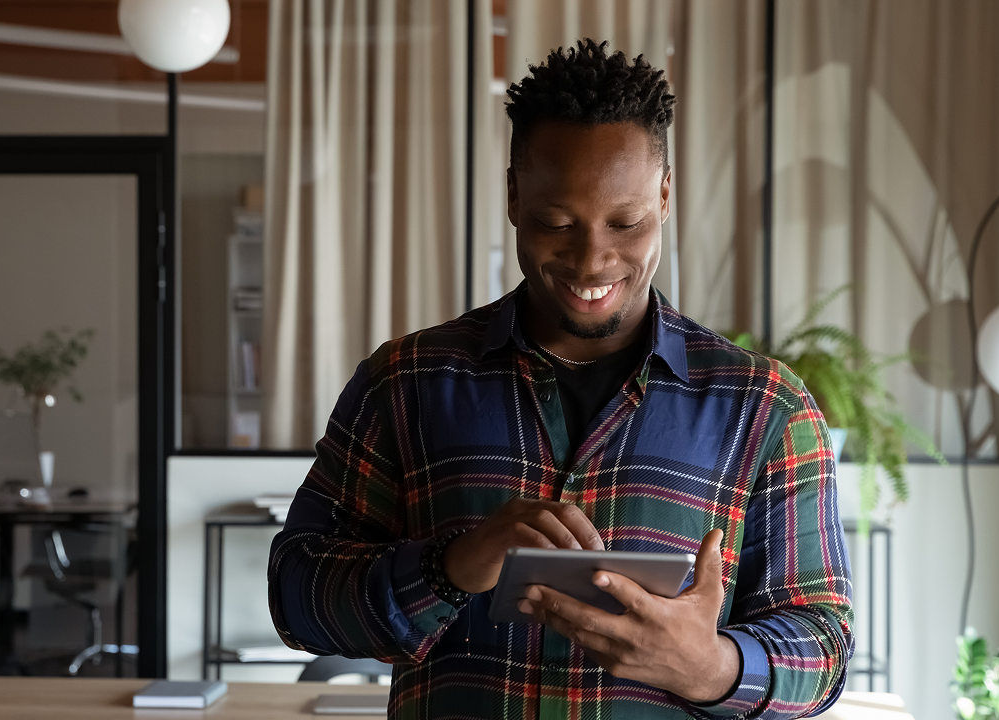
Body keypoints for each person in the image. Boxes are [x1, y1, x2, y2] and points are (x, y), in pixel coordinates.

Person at [268, 39, 852, 720]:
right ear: (514, 198)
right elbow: (295, 597)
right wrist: (452, 566)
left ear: (665, 197)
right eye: (556, 223)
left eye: (625, 222)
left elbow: (824, 646)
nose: (592, 259)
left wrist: (712, 667)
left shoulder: (765, 407)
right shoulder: (405, 382)